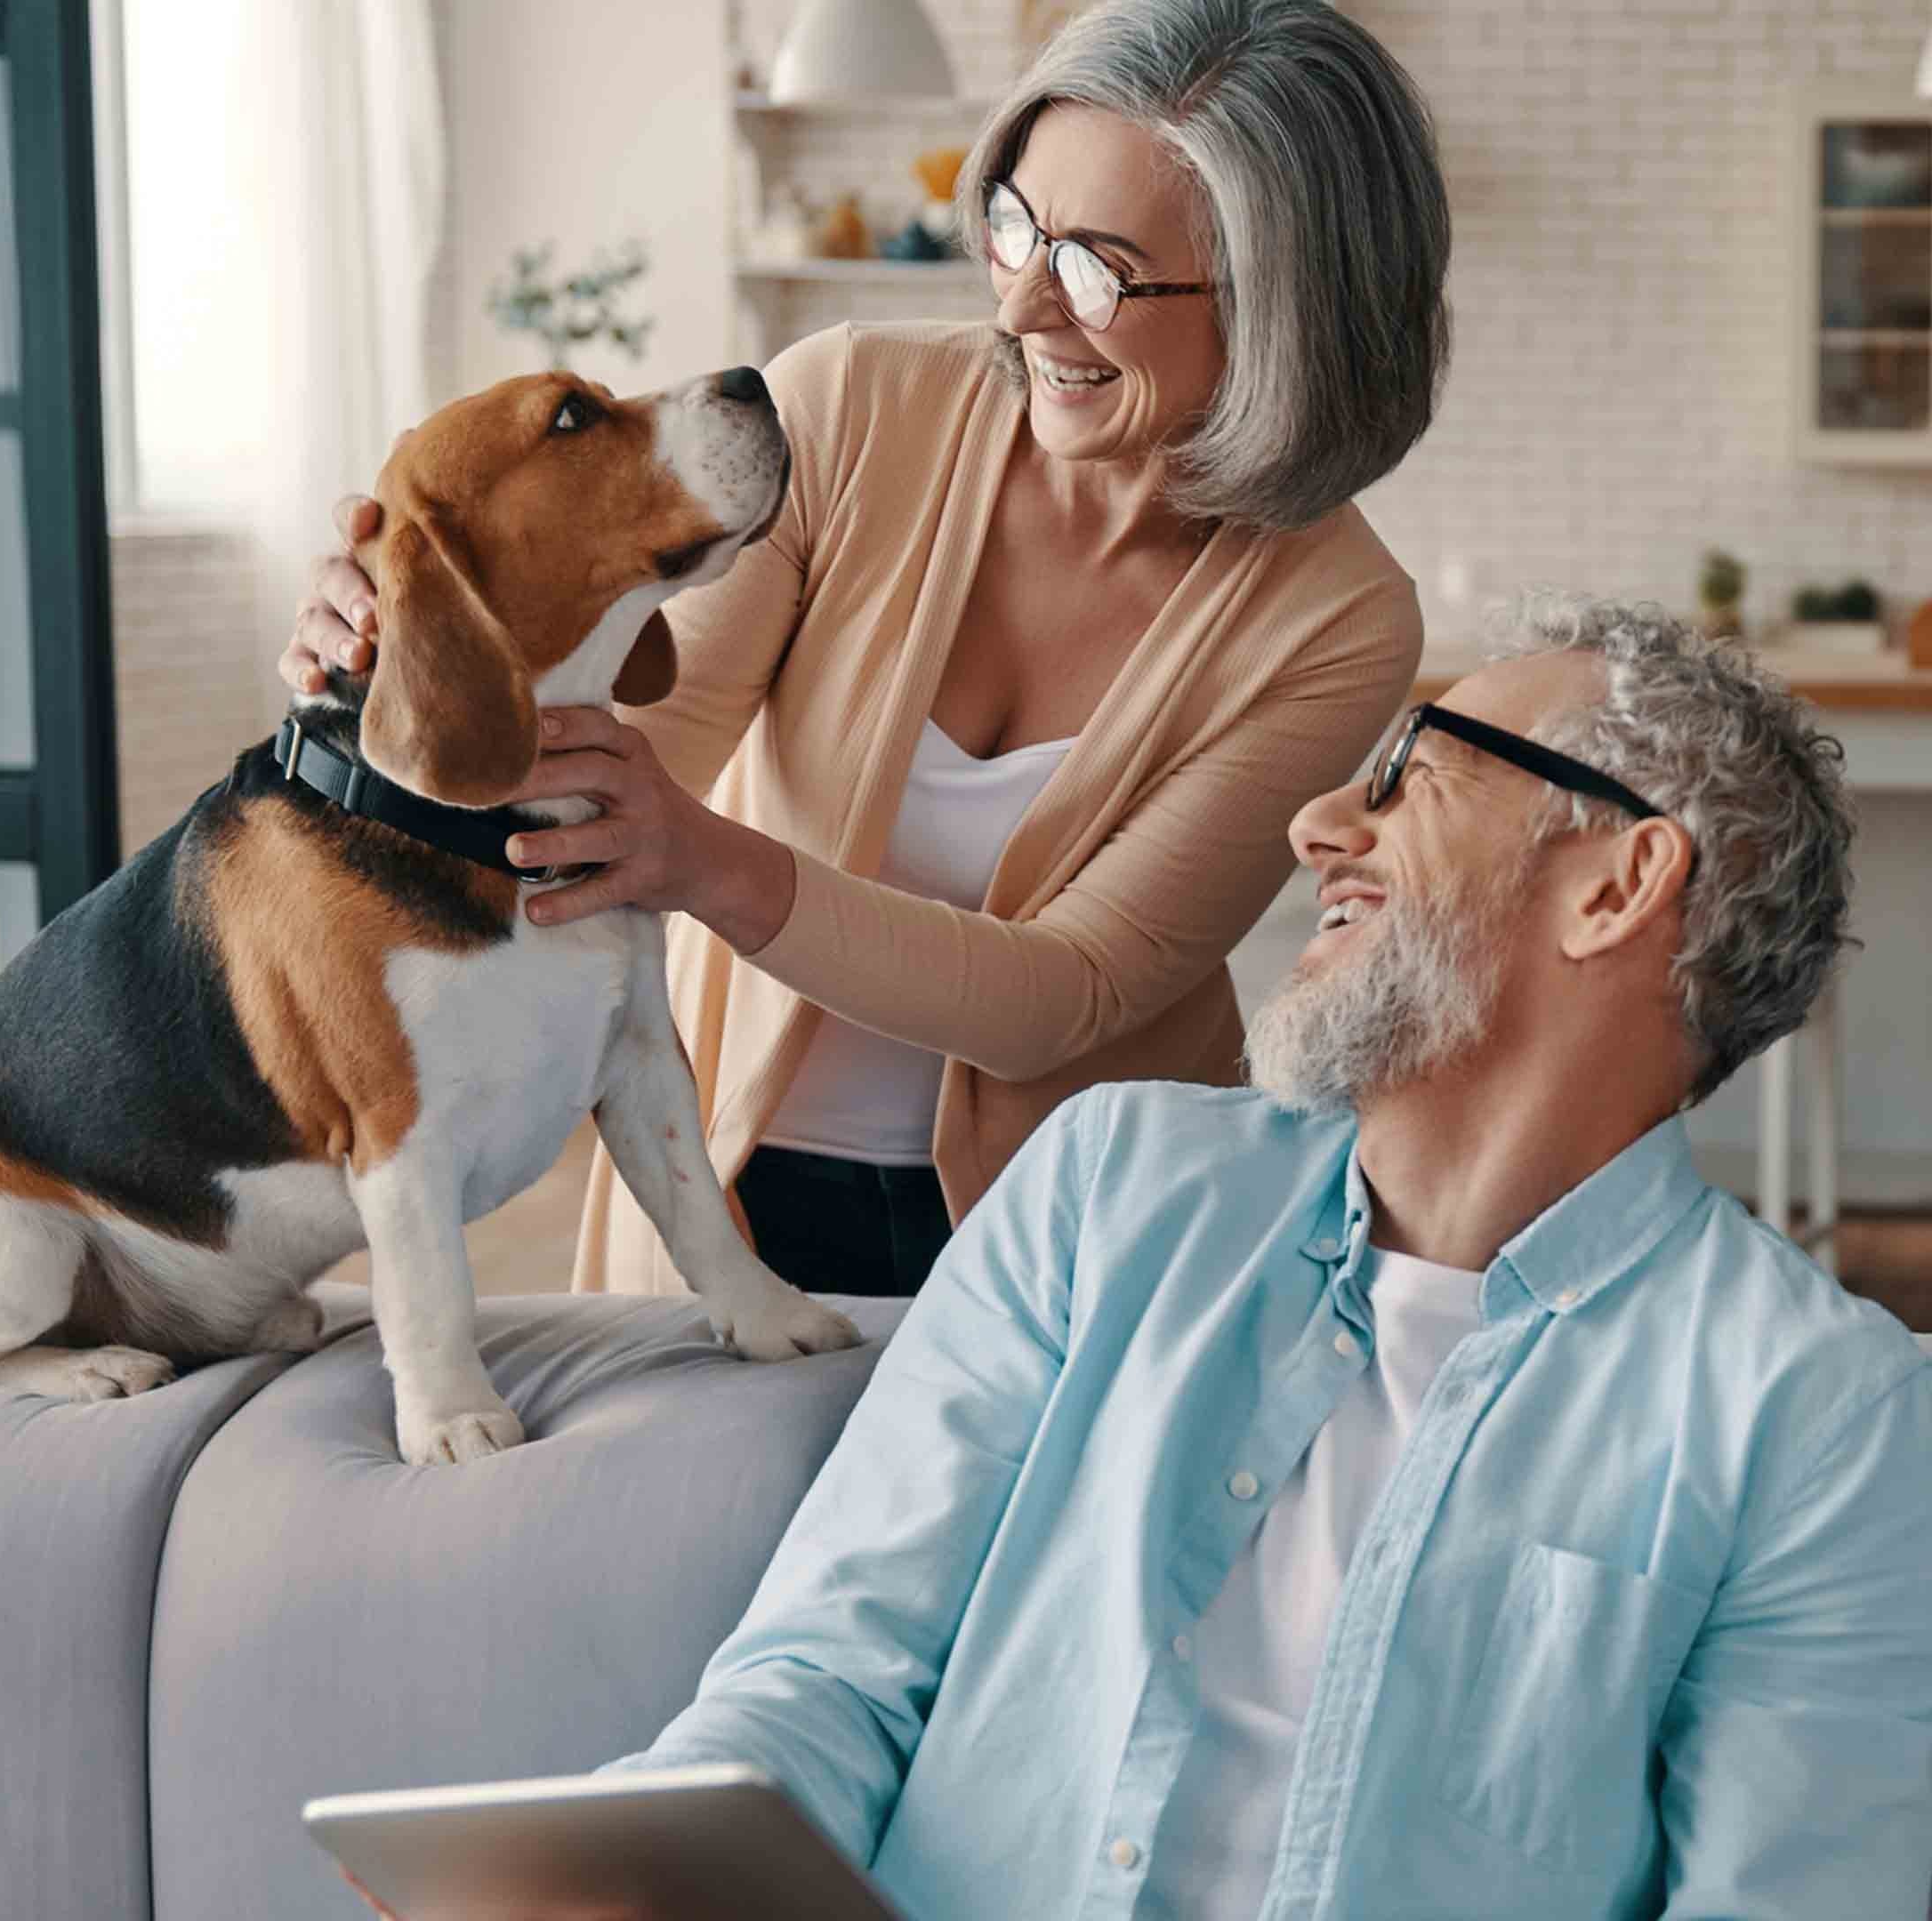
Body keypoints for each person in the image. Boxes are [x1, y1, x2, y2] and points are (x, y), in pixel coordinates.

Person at [585, 600, 1932, 1919]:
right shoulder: (1105, 1191)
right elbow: (833, 1673)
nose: (1320, 824)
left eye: (1410, 782)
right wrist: (625, 1868)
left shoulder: (1819, 1413)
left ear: (1620, 884)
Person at [282, 0, 1450, 1297]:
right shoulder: (846, 406)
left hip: (1082, 1240)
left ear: (1283, 303)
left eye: (1097, 268)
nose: (1019, 308)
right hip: (726, 1182)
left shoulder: (1340, 620)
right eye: (1016, 225)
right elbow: (611, 760)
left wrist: (708, 861)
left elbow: (1070, 992)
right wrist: (412, 642)